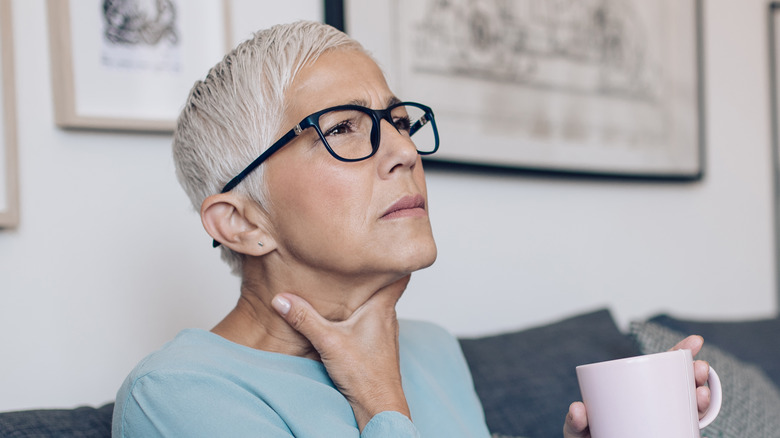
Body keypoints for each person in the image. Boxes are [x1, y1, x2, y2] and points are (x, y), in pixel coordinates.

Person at [112, 21, 712, 438]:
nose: (402, 149)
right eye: (342, 128)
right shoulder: (176, 396)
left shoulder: (427, 347)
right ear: (241, 222)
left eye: (398, 121)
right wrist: (380, 399)